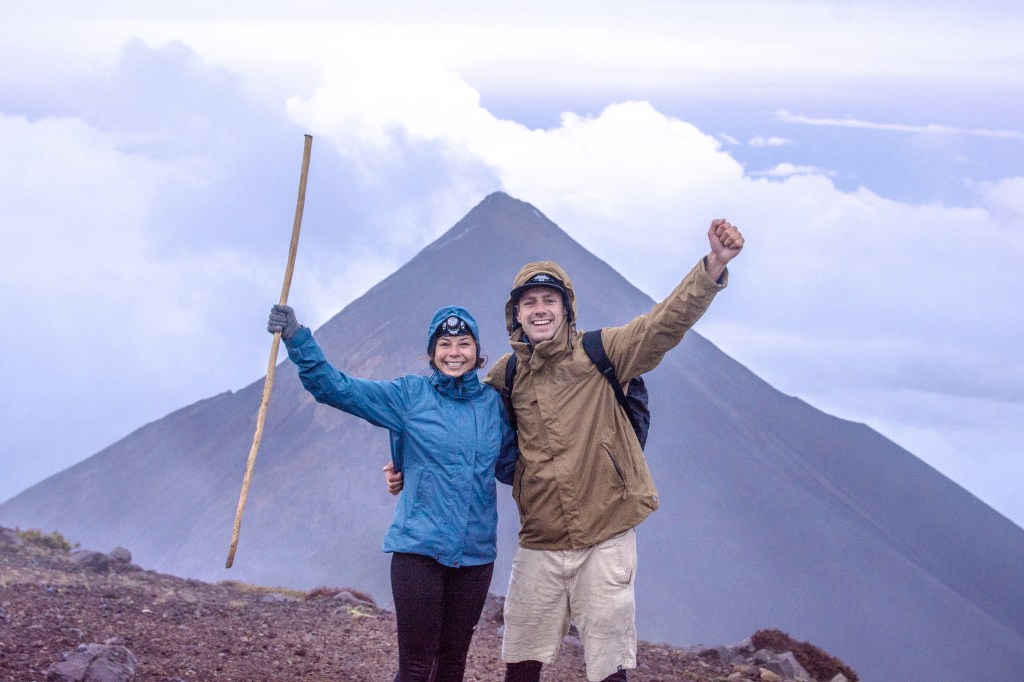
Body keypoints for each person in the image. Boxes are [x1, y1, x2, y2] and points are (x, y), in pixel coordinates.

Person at [387, 217, 744, 682]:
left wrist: (712, 266)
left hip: (606, 534)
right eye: (529, 302)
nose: (539, 310)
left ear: (566, 309)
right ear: (514, 313)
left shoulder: (605, 351)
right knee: (520, 665)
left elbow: (664, 325)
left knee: (607, 668)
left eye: (549, 301)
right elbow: (455, 417)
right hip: (541, 540)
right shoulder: (505, 375)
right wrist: (406, 468)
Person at [268, 303, 518, 682]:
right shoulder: (409, 396)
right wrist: (297, 338)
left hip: (476, 558)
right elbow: (337, 389)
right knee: (416, 669)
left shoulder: (492, 406)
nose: (455, 352)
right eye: (445, 344)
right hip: (419, 552)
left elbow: (511, 468)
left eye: (463, 343)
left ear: (477, 351)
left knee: (451, 669)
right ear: (432, 353)